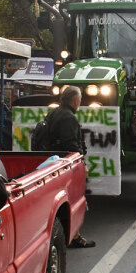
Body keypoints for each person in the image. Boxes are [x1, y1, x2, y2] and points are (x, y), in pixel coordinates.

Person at [47, 86, 95, 248]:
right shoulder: (69, 118)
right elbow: (72, 145)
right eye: (80, 99)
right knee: (75, 198)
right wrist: (82, 163)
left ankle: (72, 234)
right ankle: (75, 236)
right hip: (67, 166)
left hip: (55, 164)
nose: (80, 102)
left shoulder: (54, 113)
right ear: (75, 100)